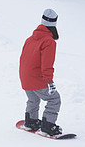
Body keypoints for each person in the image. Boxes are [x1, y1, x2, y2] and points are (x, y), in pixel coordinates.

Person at [19, 8, 63, 136]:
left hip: (25, 78)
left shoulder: (30, 39)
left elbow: (23, 59)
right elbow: (47, 65)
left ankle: (31, 121)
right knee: (54, 99)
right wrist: (49, 82)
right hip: (37, 79)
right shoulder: (49, 41)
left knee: (33, 99)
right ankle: (48, 126)